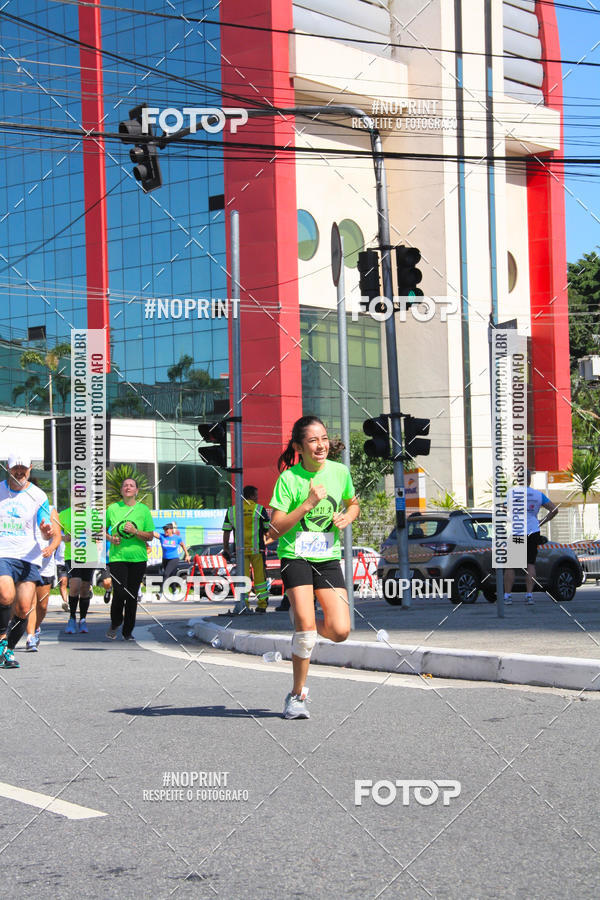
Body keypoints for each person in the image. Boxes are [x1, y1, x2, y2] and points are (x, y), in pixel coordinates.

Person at [268, 416, 359, 719]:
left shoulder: (340, 471)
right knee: (306, 632)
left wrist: (348, 516)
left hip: (327, 556)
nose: (321, 445)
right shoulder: (289, 479)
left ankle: (301, 618)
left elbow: (353, 503)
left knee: (340, 630)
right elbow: (276, 527)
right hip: (295, 555)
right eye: (313, 440)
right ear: (299, 447)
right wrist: (306, 504)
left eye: (324, 439)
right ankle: (296, 696)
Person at [0, 454, 54, 669]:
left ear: (30, 468)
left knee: (23, 608)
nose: (20, 472)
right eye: (16, 468)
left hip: (29, 556)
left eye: (23, 468)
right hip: (3, 552)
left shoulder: (38, 495)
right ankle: (2, 638)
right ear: (7, 468)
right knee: (5, 595)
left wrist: (46, 530)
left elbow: (46, 526)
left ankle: (8, 650)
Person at [106, 476, 154, 640]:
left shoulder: (143, 510)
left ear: (136, 491)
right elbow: (101, 530)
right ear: (121, 490)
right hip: (117, 557)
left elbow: (150, 536)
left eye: (131, 485)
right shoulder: (112, 508)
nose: (128, 487)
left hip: (138, 558)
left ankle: (128, 631)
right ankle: (116, 622)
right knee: (119, 592)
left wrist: (135, 532)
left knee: (132, 595)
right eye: (125, 485)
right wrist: (111, 538)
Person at [504, 470, 558, 605]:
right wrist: (542, 521)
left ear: (517, 479)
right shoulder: (538, 495)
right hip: (533, 531)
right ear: (529, 480)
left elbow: (502, 510)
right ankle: (529, 595)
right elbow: (554, 509)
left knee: (511, 565)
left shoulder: (511, 493)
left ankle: (507, 596)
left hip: (517, 531)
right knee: (530, 564)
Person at [223, 485, 271, 614]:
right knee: (260, 578)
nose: (257, 497)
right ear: (251, 496)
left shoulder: (232, 511)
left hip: (240, 551)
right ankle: (262, 605)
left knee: (243, 578)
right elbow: (267, 531)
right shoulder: (259, 509)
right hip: (257, 550)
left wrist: (226, 548)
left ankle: (244, 604)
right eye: (256, 495)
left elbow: (226, 532)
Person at [58, 503, 103, 635]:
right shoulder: (64, 514)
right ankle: (72, 618)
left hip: (90, 556)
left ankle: (83, 619)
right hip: (71, 556)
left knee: (84, 588)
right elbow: (54, 534)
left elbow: (100, 533)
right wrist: (63, 538)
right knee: (75, 585)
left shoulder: (93, 514)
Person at [24, 502, 62, 651]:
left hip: (45, 564)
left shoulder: (50, 509)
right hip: (27, 561)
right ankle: (30, 636)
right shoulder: (19, 507)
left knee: (42, 605)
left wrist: (51, 548)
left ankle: (36, 627)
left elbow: (57, 536)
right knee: (30, 603)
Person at [154, 523, 191, 589]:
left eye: (166, 529)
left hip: (174, 559)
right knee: (170, 575)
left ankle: (160, 592)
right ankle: (174, 589)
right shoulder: (162, 536)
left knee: (165, 574)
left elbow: (183, 545)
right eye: (164, 529)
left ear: (171, 530)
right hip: (165, 559)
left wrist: (187, 555)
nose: (165, 531)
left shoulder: (177, 538)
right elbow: (153, 533)